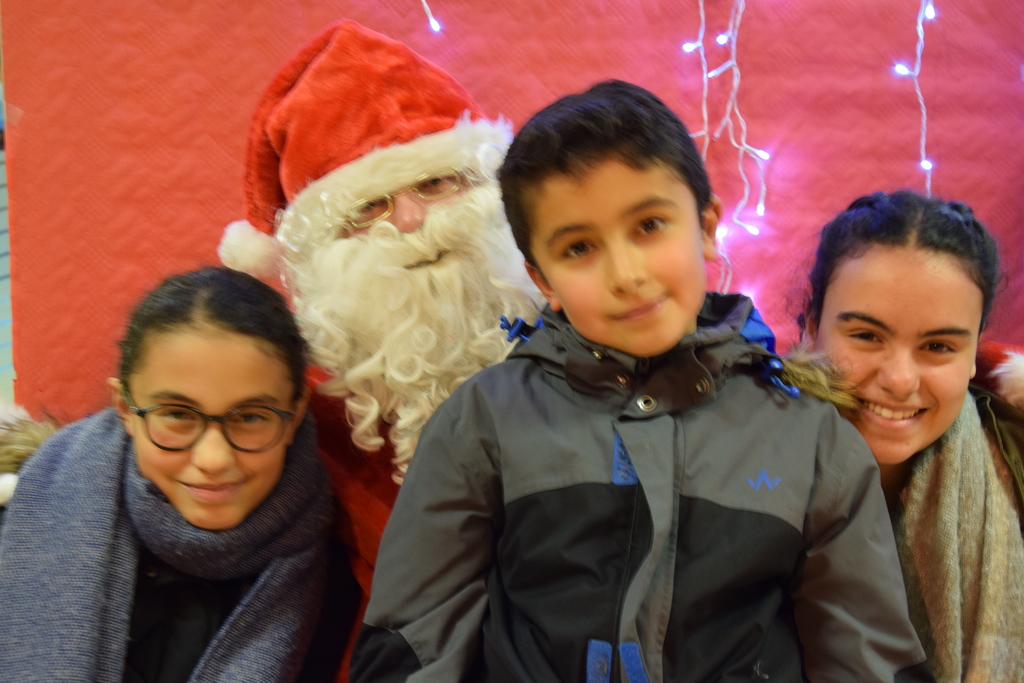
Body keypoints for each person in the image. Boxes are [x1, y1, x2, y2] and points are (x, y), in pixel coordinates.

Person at [351, 80, 932, 681]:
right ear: (542, 279)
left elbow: (868, 659)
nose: (626, 274)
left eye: (650, 225)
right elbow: (413, 639)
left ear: (706, 226)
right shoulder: (483, 420)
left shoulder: (811, 438)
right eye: (579, 248)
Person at [217, 22, 541, 657]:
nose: (413, 223)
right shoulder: (302, 410)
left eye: (437, 183)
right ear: (322, 256)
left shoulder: (589, 351)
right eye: (369, 208)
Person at [0, 266, 351, 682]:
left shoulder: (329, 585)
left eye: (251, 416)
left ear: (295, 414)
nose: (213, 459)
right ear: (126, 408)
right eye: (178, 415)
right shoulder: (21, 523)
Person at [801, 190, 1024, 681]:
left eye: (938, 346)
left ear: (973, 354)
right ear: (812, 325)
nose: (900, 380)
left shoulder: (1017, 466)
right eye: (866, 336)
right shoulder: (731, 466)